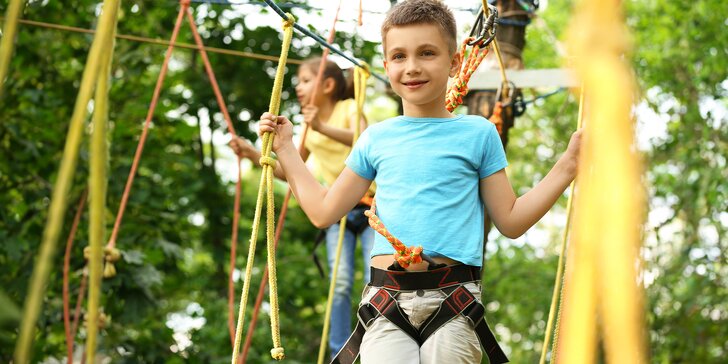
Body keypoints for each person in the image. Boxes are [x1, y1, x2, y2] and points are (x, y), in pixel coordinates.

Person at [255, 0, 583, 362]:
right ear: (386, 65)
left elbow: (511, 220)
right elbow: (322, 210)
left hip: (454, 302)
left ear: (454, 62)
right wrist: (286, 150)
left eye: (426, 53)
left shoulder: (478, 134)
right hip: (386, 302)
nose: (411, 68)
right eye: (399, 56)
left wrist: (567, 165)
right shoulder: (376, 139)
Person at [229, 57, 375, 358]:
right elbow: (291, 169)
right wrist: (254, 153)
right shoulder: (310, 126)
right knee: (341, 282)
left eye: (306, 80)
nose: (298, 86)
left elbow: (364, 140)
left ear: (329, 85)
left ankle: (376, 344)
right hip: (340, 208)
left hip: (373, 206)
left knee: (373, 279)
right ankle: (340, 352)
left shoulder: (349, 109)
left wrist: (320, 125)